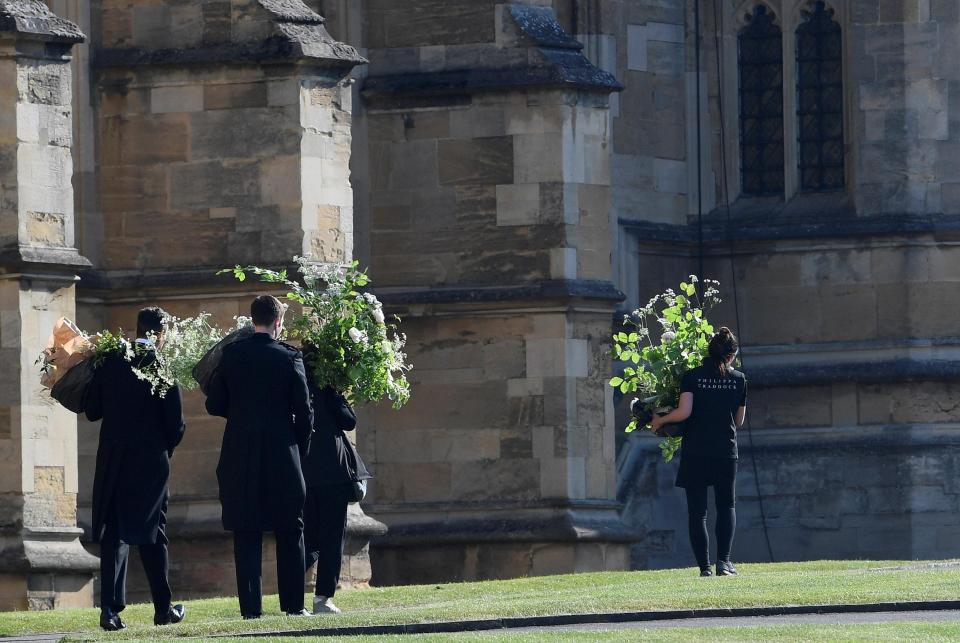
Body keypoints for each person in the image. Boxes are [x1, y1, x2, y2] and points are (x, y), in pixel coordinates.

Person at [205, 295, 314, 618]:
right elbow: (305, 412)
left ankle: (251, 610)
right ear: (278, 322)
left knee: (246, 530)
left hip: (240, 452)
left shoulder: (232, 355)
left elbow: (214, 404)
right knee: (290, 529)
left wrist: (241, 414)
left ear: (252, 320)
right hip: (282, 452)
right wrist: (300, 448)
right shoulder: (288, 357)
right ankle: (294, 605)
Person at [85, 307, 187, 631]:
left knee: (115, 531)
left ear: (137, 328)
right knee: (154, 532)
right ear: (160, 333)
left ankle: (109, 611)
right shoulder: (161, 365)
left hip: (115, 458)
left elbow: (91, 410)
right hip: (149, 461)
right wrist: (165, 448)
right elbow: (176, 424)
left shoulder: (112, 360)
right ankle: (162, 609)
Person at [651, 327, 747, 578]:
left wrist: (661, 420)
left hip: (695, 449)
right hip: (725, 450)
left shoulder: (693, 376)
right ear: (730, 355)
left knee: (697, 512)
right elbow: (739, 421)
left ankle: (704, 568)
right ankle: (724, 563)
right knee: (726, 506)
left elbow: (684, 413)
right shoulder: (739, 379)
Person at [300, 345, 372, 615]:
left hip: (304, 471)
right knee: (332, 537)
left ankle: (294, 595)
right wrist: (335, 390)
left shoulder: (293, 387)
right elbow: (348, 420)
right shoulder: (327, 387)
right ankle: (322, 599)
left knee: (307, 536)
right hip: (332, 471)